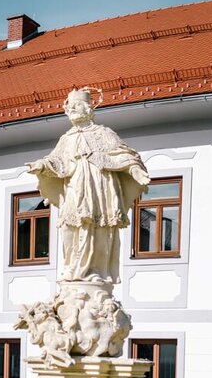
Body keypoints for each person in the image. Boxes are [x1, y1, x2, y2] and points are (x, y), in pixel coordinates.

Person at [27, 88, 149, 283]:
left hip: (100, 189)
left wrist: (134, 169)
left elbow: (125, 154)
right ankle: (71, 268)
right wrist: (42, 165)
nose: (71, 109)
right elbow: (57, 161)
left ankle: (96, 271)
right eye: (69, 106)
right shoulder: (66, 139)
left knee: (98, 227)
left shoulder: (103, 133)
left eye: (76, 105)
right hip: (75, 187)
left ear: (88, 108)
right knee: (69, 226)